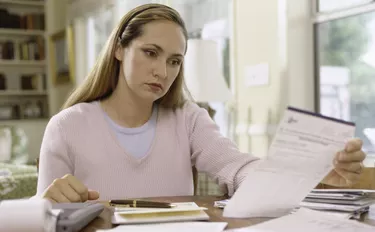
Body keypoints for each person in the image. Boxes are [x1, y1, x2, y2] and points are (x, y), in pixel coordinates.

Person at [36, 3, 366, 203]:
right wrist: (49, 202)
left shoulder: (187, 119)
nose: (161, 71)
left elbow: (238, 168)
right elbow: (41, 217)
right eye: (151, 53)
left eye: (174, 60)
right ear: (119, 50)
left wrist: (308, 173)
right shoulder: (67, 127)